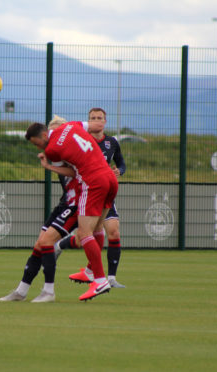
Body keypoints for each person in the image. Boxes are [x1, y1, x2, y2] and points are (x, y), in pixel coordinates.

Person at [25, 120, 118, 301]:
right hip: (110, 177)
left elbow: (73, 173)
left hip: (93, 182)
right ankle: (91, 271)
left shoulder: (51, 150)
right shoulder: (72, 125)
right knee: (98, 229)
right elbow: (96, 127)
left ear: (44, 135)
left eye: (37, 143)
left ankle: (100, 281)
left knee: (84, 233)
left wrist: (49, 166)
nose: (40, 148)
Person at [0, 115, 80, 303]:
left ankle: (48, 291)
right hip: (65, 201)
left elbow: (76, 172)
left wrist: (48, 166)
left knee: (47, 242)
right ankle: (21, 291)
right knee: (39, 244)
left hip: (75, 203)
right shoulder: (56, 151)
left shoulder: (69, 150)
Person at [63, 108, 127, 288]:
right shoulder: (82, 140)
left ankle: (110, 277)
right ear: (88, 121)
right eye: (93, 118)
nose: (97, 121)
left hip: (104, 191)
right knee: (83, 236)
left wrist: (119, 171)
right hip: (86, 192)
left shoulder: (112, 142)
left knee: (113, 231)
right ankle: (60, 248)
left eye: (100, 118)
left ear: (105, 122)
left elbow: (121, 162)